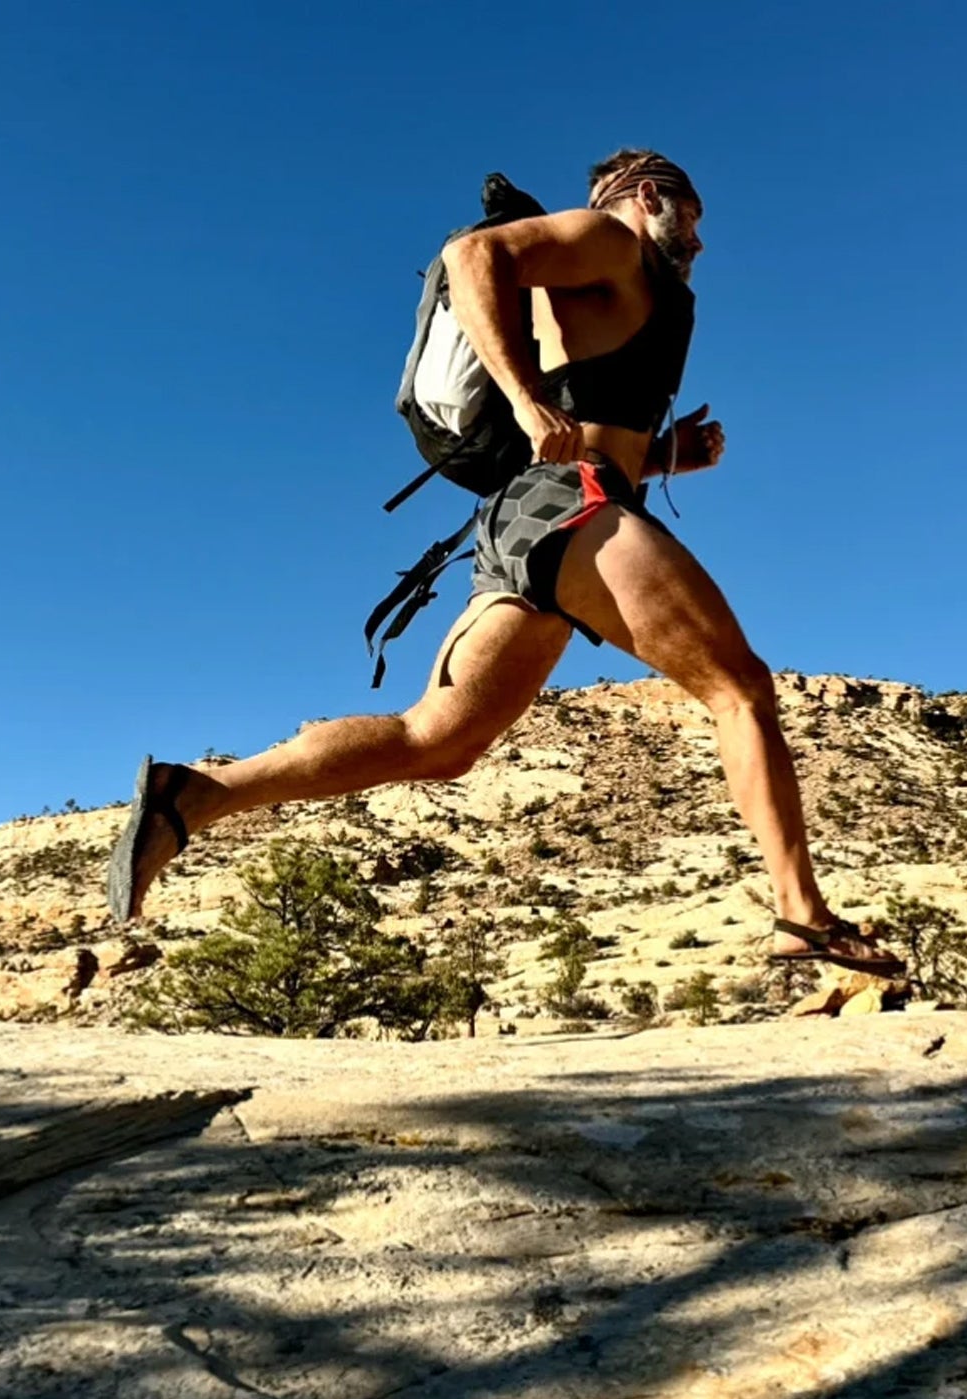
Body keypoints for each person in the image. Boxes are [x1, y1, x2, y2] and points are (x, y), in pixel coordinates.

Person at [107, 149, 903, 977]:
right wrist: (524, 402)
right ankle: (802, 919)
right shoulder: (607, 237)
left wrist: (667, 455)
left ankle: (196, 795)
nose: (698, 240)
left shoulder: (625, 284)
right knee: (736, 688)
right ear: (649, 196)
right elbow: (473, 257)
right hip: (573, 503)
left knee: (437, 742)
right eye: (693, 216)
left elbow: (587, 404)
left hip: (535, 514)